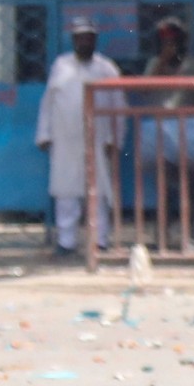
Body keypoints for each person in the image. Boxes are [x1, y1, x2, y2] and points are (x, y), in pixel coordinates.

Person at [35, 17, 127, 257]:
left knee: (98, 191)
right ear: (74, 40)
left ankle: (100, 240)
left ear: (95, 41)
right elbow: (48, 103)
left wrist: (115, 140)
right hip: (65, 138)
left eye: (89, 38)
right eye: (80, 38)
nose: (84, 42)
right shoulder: (61, 65)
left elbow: (119, 106)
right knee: (66, 191)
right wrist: (44, 133)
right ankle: (66, 241)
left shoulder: (106, 68)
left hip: (97, 138)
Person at [143, 16, 194, 109]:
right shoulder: (154, 63)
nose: (168, 46)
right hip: (158, 117)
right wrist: (162, 61)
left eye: (172, 42)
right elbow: (144, 90)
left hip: (186, 118)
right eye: (165, 42)